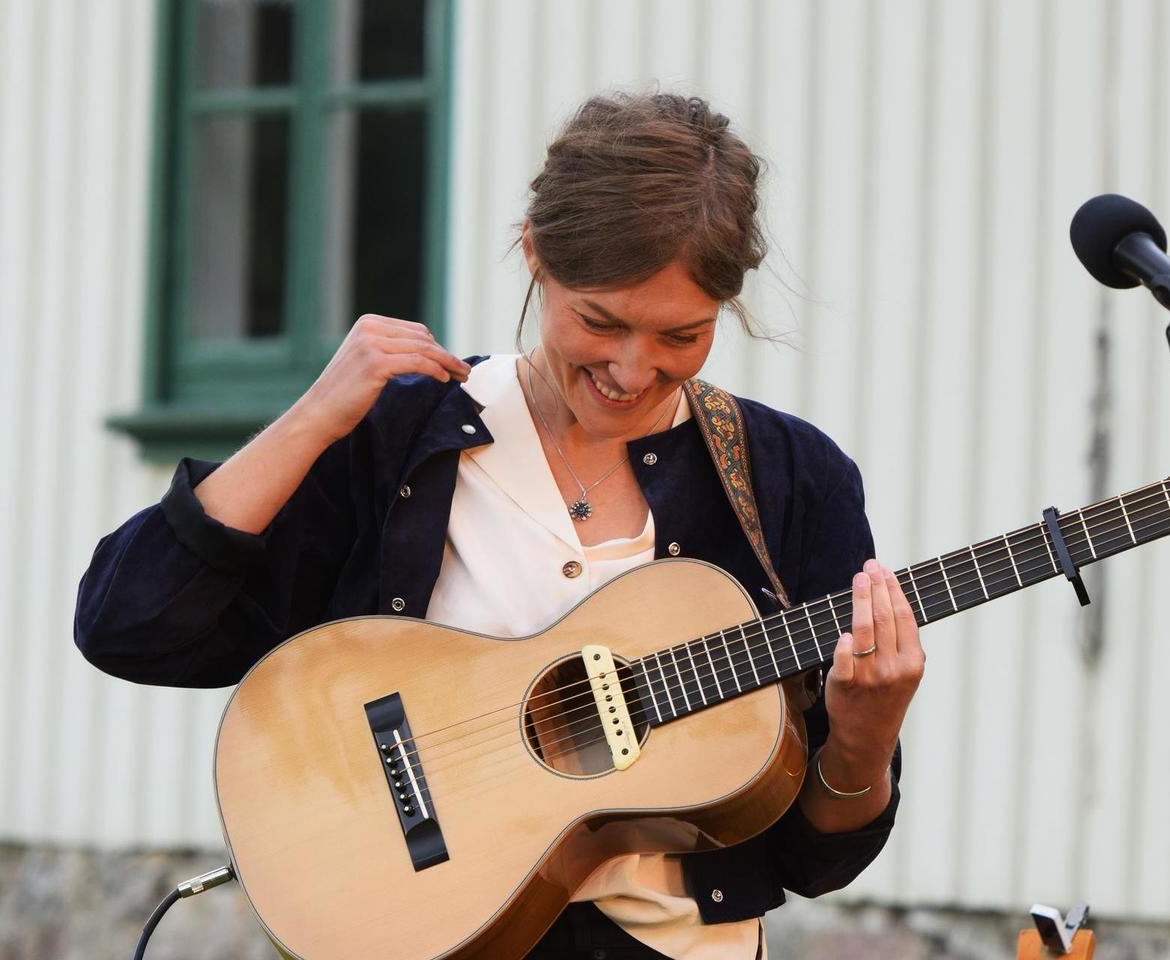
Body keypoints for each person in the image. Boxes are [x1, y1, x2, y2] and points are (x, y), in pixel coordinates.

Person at [75, 91, 924, 959]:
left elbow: (814, 859)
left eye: (683, 335)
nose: (634, 370)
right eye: (600, 321)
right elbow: (129, 626)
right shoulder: (404, 436)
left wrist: (866, 739)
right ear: (534, 254)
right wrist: (313, 418)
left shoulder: (791, 477)